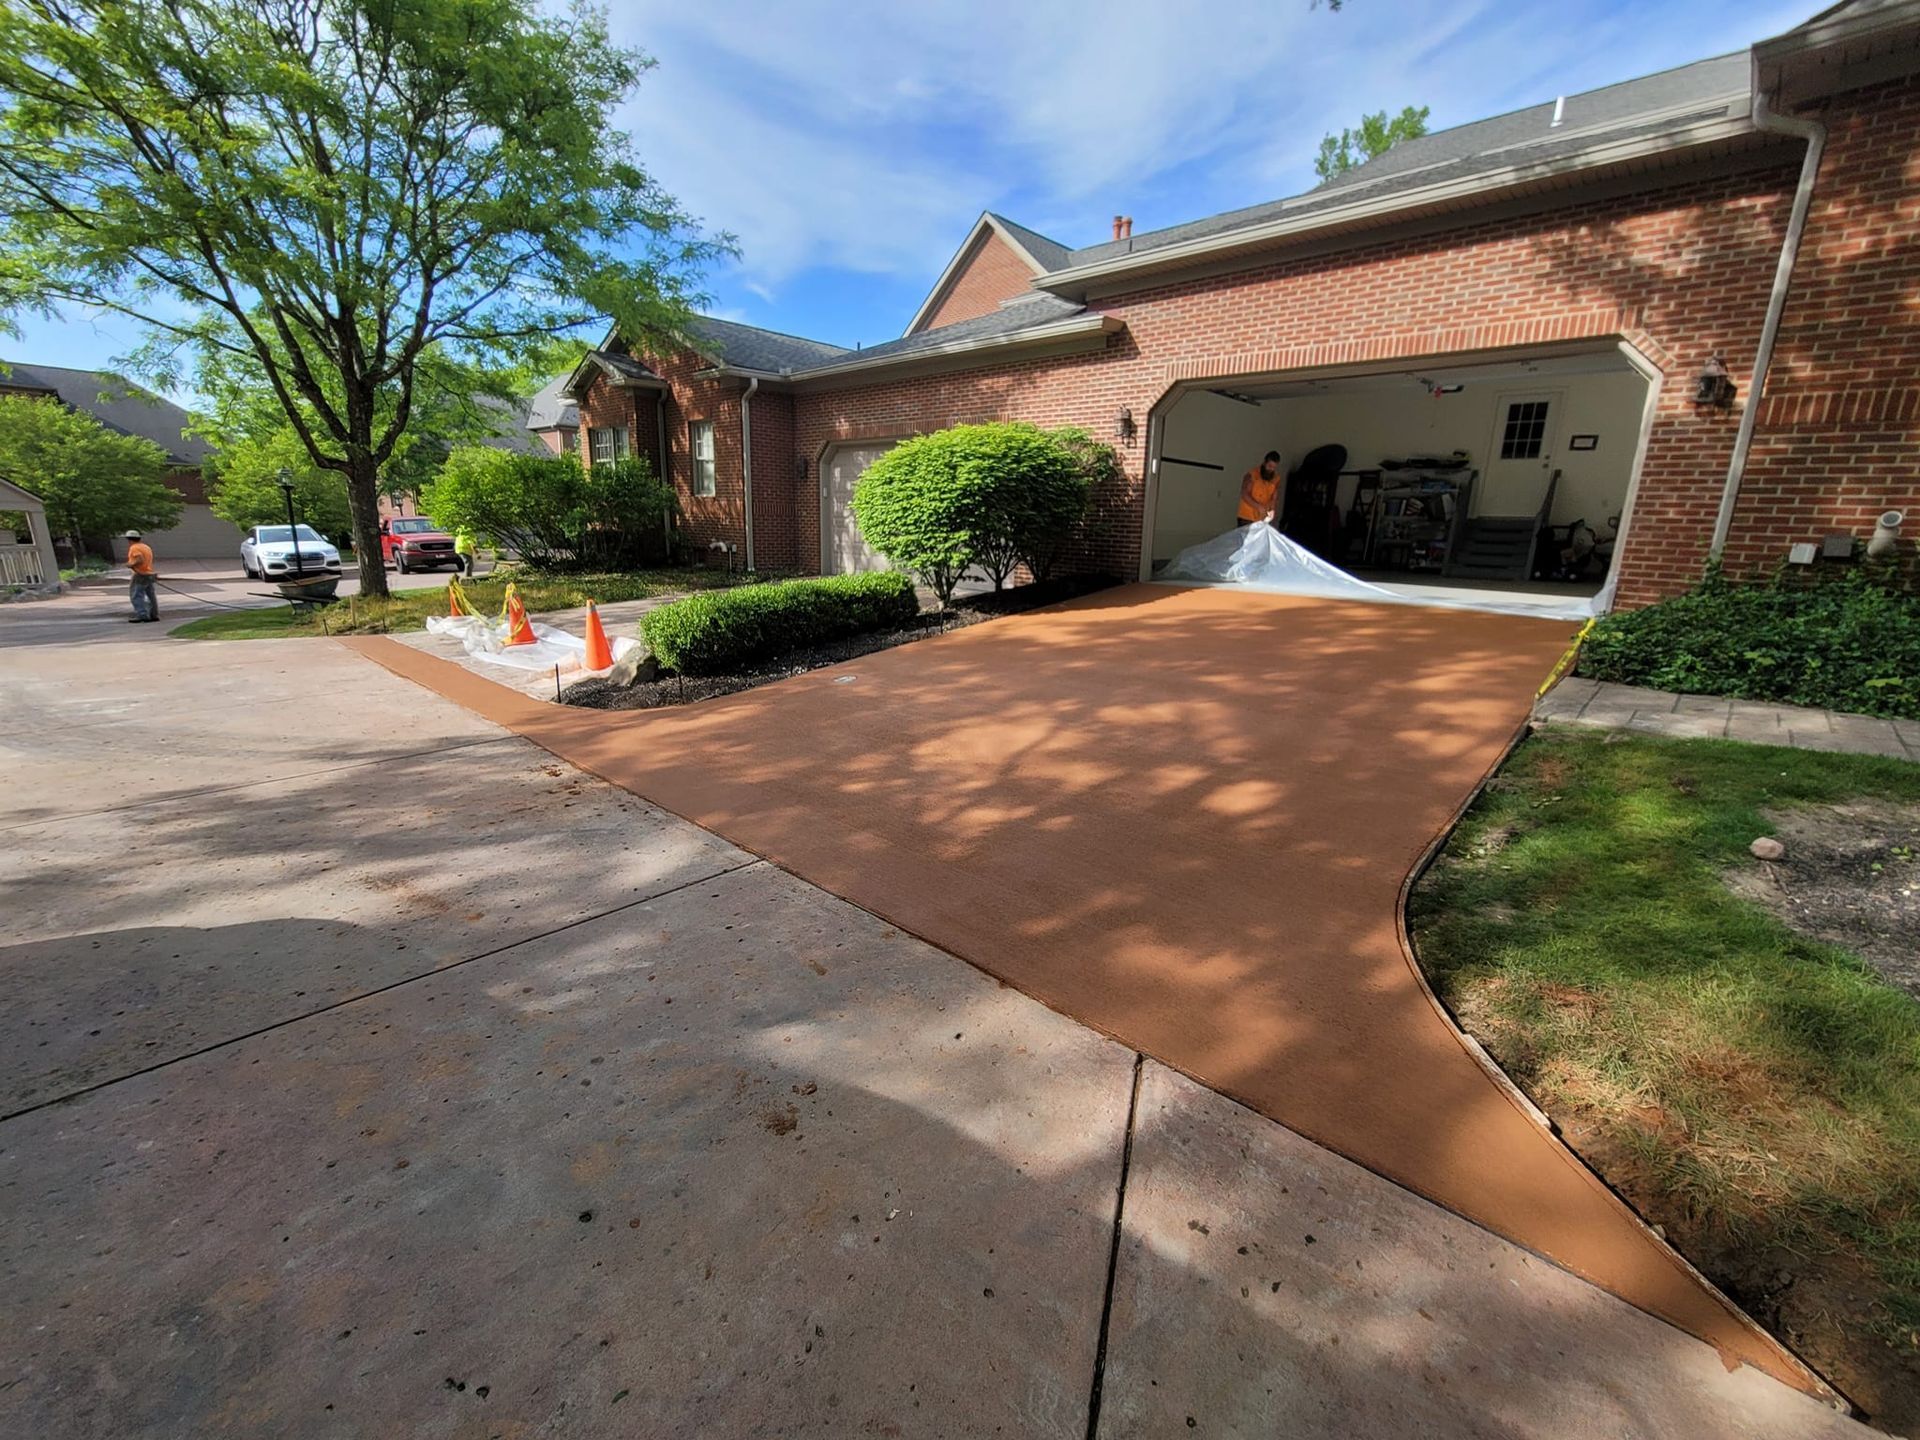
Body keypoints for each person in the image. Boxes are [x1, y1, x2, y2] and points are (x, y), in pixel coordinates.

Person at [1237, 451, 1284, 527]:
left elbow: (1274, 498)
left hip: (1262, 518)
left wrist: (1272, 510)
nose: (1271, 469)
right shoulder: (1252, 475)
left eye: (1273, 467)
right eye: (1269, 466)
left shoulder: (1276, 478)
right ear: (1264, 463)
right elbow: (1244, 494)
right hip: (1247, 517)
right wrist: (1259, 507)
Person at [124, 529, 159, 623]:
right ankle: (153, 615)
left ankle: (142, 615)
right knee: (150, 595)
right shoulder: (146, 547)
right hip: (149, 573)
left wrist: (130, 564)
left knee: (136, 595)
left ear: (129, 539)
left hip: (140, 574)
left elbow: (139, 559)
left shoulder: (134, 548)